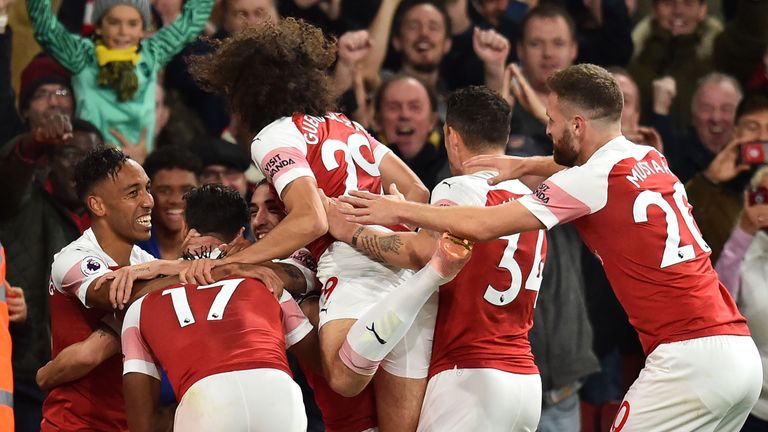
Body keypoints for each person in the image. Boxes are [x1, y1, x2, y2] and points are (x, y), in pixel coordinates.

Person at [340, 63, 762, 431]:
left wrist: (398, 210)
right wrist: (523, 165)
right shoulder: (650, 157)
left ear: (577, 124)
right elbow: (587, 162)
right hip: (740, 356)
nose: (546, 130)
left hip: (688, 359)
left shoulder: (589, 182)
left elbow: (483, 224)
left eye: (552, 120)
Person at [187, 19, 472, 431]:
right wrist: (380, 217)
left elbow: (309, 218)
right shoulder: (347, 124)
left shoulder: (272, 136)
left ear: (250, 90)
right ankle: (419, 285)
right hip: (401, 258)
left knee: (341, 377)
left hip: (352, 263)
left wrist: (240, 260)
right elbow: (416, 191)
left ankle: (421, 285)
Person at [327, 85, 546, 431]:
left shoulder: (457, 187)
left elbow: (424, 253)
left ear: (451, 136)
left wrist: (352, 233)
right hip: (525, 381)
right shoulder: (526, 200)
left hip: (469, 376)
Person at [121, 184, 311, 432]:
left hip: (205, 404)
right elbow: (320, 362)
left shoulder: (143, 302)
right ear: (241, 235)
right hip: (280, 396)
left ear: (185, 229)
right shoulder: (267, 282)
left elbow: (142, 424)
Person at [0, 115, 99, 430]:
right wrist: (34, 141)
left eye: (90, 159)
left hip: (86, 384)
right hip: (27, 376)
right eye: (70, 155)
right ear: (47, 162)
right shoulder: (22, 201)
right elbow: (9, 176)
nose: (80, 167)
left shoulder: (109, 223)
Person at [27, 0, 214, 159]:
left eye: (132, 24)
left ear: (143, 29)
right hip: (90, 168)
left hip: (140, 168)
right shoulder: (83, 56)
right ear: (99, 27)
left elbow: (191, 21)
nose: (123, 31)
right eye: (114, 22)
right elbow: (45, 29)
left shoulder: (152, 54)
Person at [137, 146, 201, 259]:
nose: (176, 200)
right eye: (164, 191)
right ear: (148, 192)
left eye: (187, 190)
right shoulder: (131, 246)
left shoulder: (217, 245)